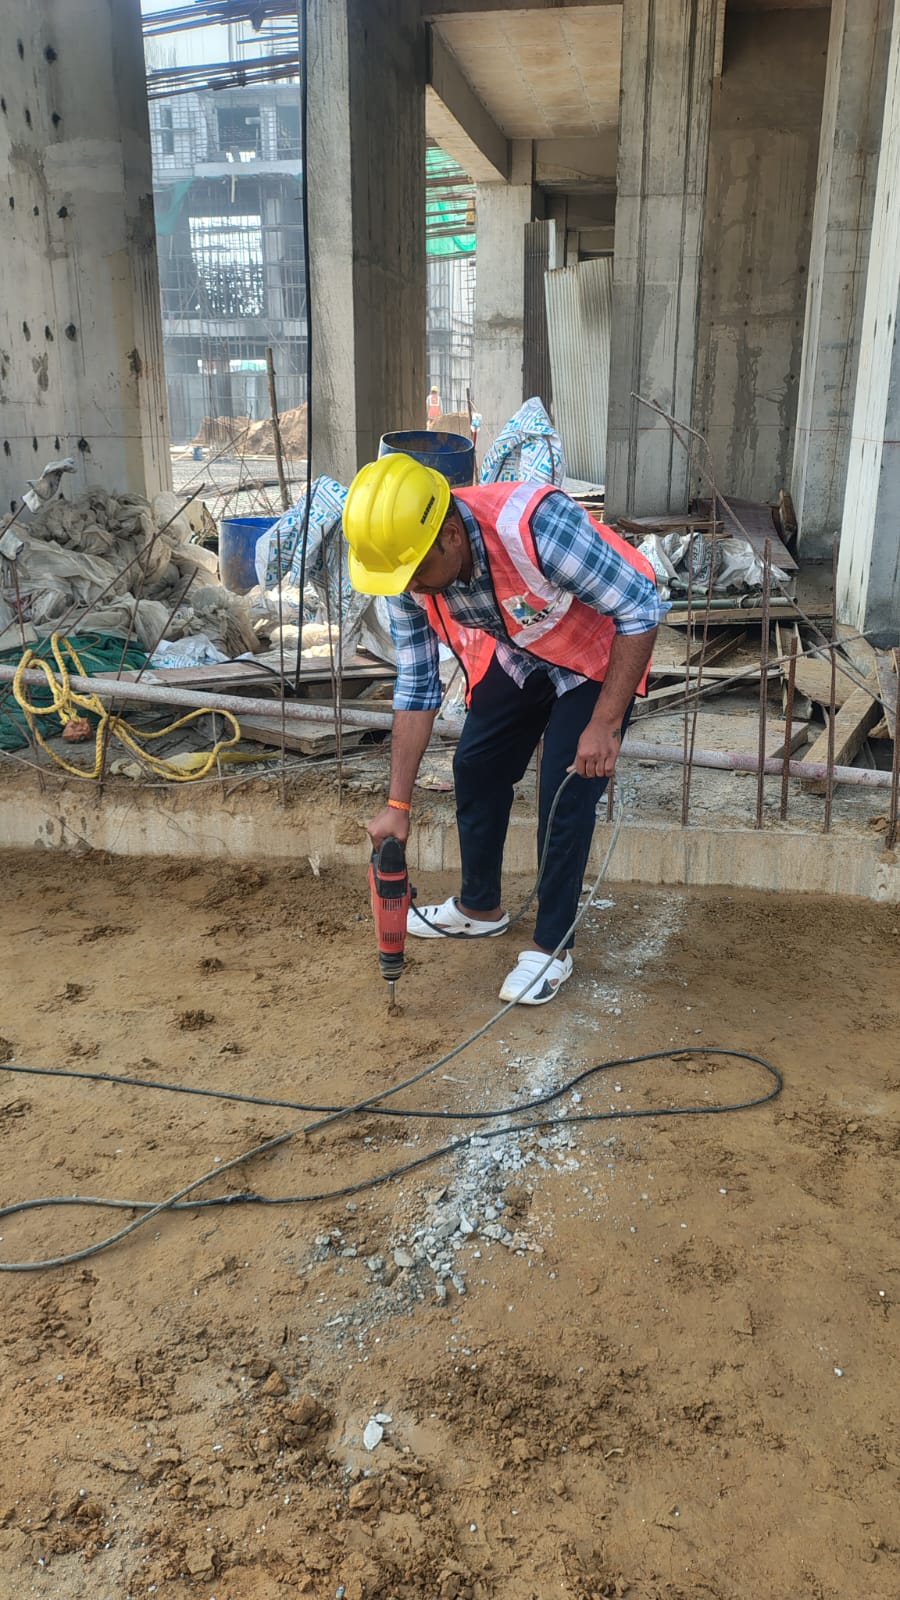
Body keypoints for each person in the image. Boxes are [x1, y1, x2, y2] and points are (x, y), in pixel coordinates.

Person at [343, 454, 666, 1007]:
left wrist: (605, 723)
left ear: (451, 536)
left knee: (564, 789)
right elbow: (417, 685)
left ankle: (552, 948)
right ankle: (480, 907)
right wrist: (398, 803)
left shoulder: (534, 527)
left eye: (417, 572)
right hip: (526, 650)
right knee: (476, 764)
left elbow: (639, 606)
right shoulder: (404, 571)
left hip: (597, 654)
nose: (412, 586)